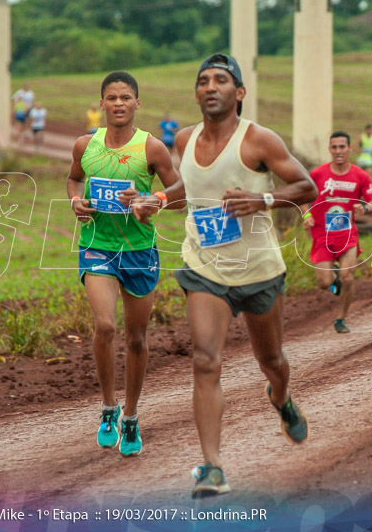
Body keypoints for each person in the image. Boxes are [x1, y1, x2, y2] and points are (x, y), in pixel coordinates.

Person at [133, 53, 316, 498]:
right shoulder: (183, 138)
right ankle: (212, 467)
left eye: (220, 80)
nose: (210, 87)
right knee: (204, 360)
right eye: (202, 81)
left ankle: (281, 398)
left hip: (258, 269)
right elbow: (188, 191)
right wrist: (155, 199)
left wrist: (263, 201)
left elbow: (307, 187)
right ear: (196, 92)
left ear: (239, 92)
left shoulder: (259, 140)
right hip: (205, 266)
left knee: (271, 362)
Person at [67, 70, 180, 458]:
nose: (118, 103)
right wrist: (75, 202)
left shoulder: (152, 148)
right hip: (97, 245)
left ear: (137, 103)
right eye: (111, 97)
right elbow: (73, 180)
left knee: (136, 338)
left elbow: (179, 191)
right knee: (104, 326)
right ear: (101, 103)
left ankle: (131, 416)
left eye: (125, 97)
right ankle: (108, 408)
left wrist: (153, 201)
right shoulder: (85, 144)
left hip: (139, 251)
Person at [301, 130, 372, 334]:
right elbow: (302, 196)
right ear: (329, 149)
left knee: (348, 277)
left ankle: (341, 319)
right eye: (334, 147)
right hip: (322, 235)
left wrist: (365, 208)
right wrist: (306, 215)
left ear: (350, 149)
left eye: (342, 147)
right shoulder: (317, 174)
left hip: (347, 234)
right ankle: (332, 276)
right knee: (323, 283)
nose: (338, 151)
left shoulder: (360, 175)